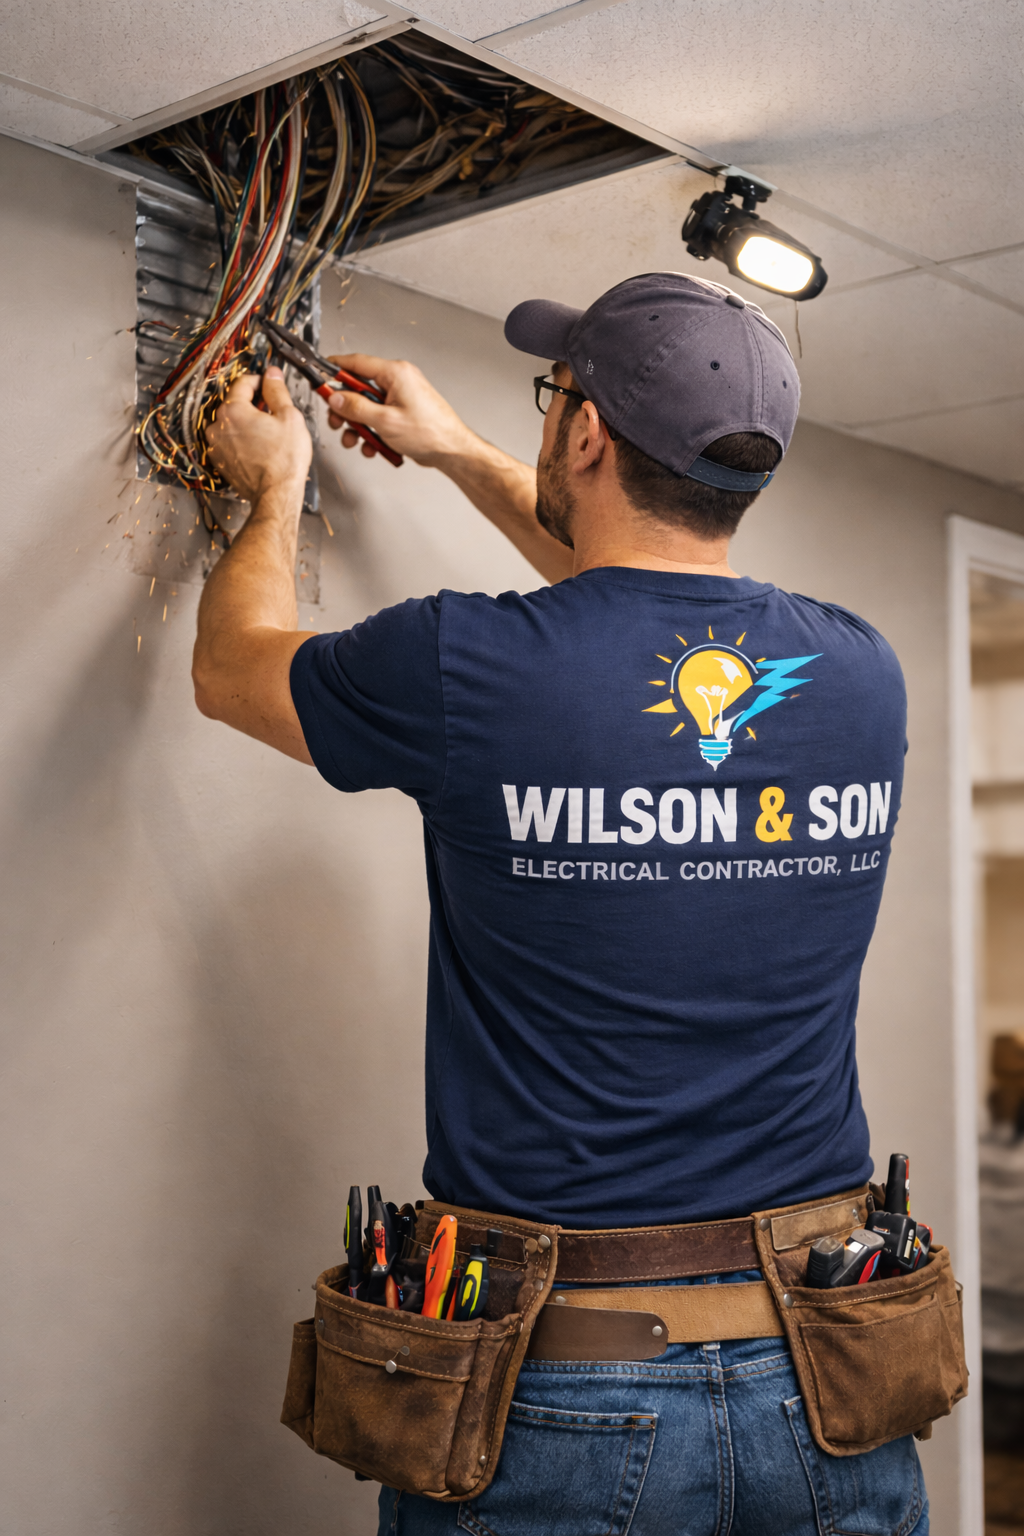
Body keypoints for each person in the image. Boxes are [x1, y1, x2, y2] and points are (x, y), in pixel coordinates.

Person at [193, 273, 923, 1534]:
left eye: (557, 398)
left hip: (567, 1394)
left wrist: (275, 488)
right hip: (832, 1369)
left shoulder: (457, 664)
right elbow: (640, 620)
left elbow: (231, 672)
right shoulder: (860, 676)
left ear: (583, 435)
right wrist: (465, 453)